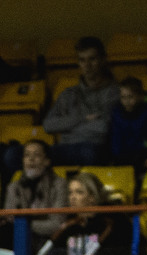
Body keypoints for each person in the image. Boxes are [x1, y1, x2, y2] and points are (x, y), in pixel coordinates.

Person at [41, 37, 119, 166]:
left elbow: (103, 128)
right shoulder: (68, 93)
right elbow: (48, 125)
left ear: (102, 60)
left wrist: (65, 126)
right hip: (64, 148)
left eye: (92, 59)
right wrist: (83, 118)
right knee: (14, 154)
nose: (87, 65)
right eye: (82, 60)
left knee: (89, 152)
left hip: (95, 148)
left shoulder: (114, 93)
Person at [4, 139, 69, 242]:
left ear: (47, 161)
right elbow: (9, 219)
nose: (31, 159)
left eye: (37, 155)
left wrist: (26, 224)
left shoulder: (59, 185)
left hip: (47, 239)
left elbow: (57, 224)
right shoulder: (13, 187)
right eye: (27, 155)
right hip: (18, 237)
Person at [109, 77, 147, 171]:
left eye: (130, 97)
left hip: (144, 152)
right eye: (123, 97)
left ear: (140, 96)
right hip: (124, 154)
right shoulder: (117, 112)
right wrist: (115, 156)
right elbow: (116, 137)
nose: (127, 101)